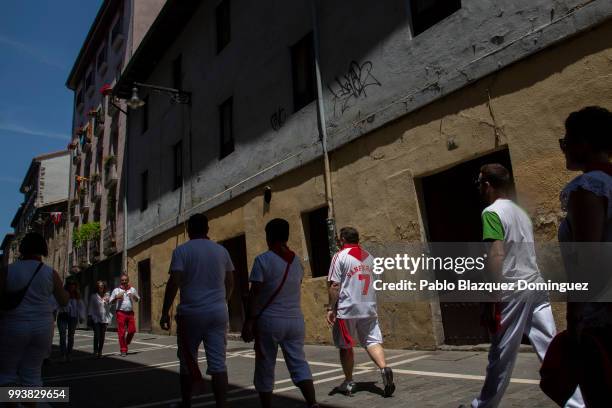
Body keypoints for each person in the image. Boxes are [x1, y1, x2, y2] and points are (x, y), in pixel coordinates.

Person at [463, 163, 583, 408]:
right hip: (535, 285)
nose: (480, 189)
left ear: (487, 185)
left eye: (480, 184)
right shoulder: (520, 212)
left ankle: (482, 406)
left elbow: (496, 253)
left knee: (501, 354)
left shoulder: (491, 212)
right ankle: (578, 403)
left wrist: (492, 296)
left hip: (512, 290)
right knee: (549, 346)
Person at [557, 106, 612, 405]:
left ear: (584, 143)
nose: (564, 148)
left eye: (566, 140)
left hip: (602, 316)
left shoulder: (589, 187)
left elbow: (586, 262)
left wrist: (573, 316)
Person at [242, 218, 319, 408]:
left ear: (269, 236)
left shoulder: (263, 260)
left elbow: (255, 293)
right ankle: (313, 404)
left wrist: (249, 321)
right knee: (299, 363)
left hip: (269, 321)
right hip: (295, 320)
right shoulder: (298, 263)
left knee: (265, 366)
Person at [160, 213, 234, 408]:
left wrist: (164, 311)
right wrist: (223, 301)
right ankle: (222, 405)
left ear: (189, 230)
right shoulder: (221, 251)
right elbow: (230, 282)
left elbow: (173, 282)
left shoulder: (181, 251)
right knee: (218, 364)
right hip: (217, 313)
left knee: (186, 362)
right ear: (207, 229)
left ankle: (186, 404)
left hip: (190, 314)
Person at [326, 227, 395, 397]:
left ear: (342, 239)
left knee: (346, 345)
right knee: (372, 340)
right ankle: (384, 368)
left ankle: (349, 382)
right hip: (368, 306)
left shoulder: (339, 256)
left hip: (348, 307)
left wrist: (330, 308)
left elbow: (334, 285)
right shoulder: (369, 257)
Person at [0, 232, 69, 391]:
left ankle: (11, 402)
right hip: (42, 328)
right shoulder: (50, 273)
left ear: (22, 249)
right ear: (43, 249)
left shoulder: (7, 271)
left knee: (7, 374)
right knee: (32, 375)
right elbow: (63, 301)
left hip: (13, 325)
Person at [109, 274, 140, 356]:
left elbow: (137, 300)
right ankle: (123, 349)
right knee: (121, 332)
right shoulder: (116, 290)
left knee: (132, 330)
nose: (124, 282)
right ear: (120, 281)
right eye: (122, 280)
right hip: (120, 312)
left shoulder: (132, 289)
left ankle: (126, 342)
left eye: (125, 280)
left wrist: (133, 296)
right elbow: (110, 302)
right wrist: (116, 298)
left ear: (128, 280)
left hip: (130, 313)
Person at [56, 280, 86, 362]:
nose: (72, 287)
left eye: (73, 285)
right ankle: (63, 355)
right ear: (67, 286)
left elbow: (81, 306)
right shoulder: (62, 294)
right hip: (63, 315)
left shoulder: (77, 295)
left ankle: (69, 354)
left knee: (71, 336)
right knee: (62, 336)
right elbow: (56, 304)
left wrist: (81, 317)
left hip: (73, 317)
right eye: (70, 285)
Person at [88, 280, 112, 358]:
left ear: (104, 287)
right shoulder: (93, 296)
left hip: (104, 318)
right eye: (99, 286)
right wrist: (89, 316)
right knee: (97, 335)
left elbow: (110, 307)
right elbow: (91, 307)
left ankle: (100, 351)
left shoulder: (107, 295)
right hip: (96, 318)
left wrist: (108, 302)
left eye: (102, 286)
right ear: (97, 288)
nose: (100, 287)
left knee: (102, 336)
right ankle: (95, 351)